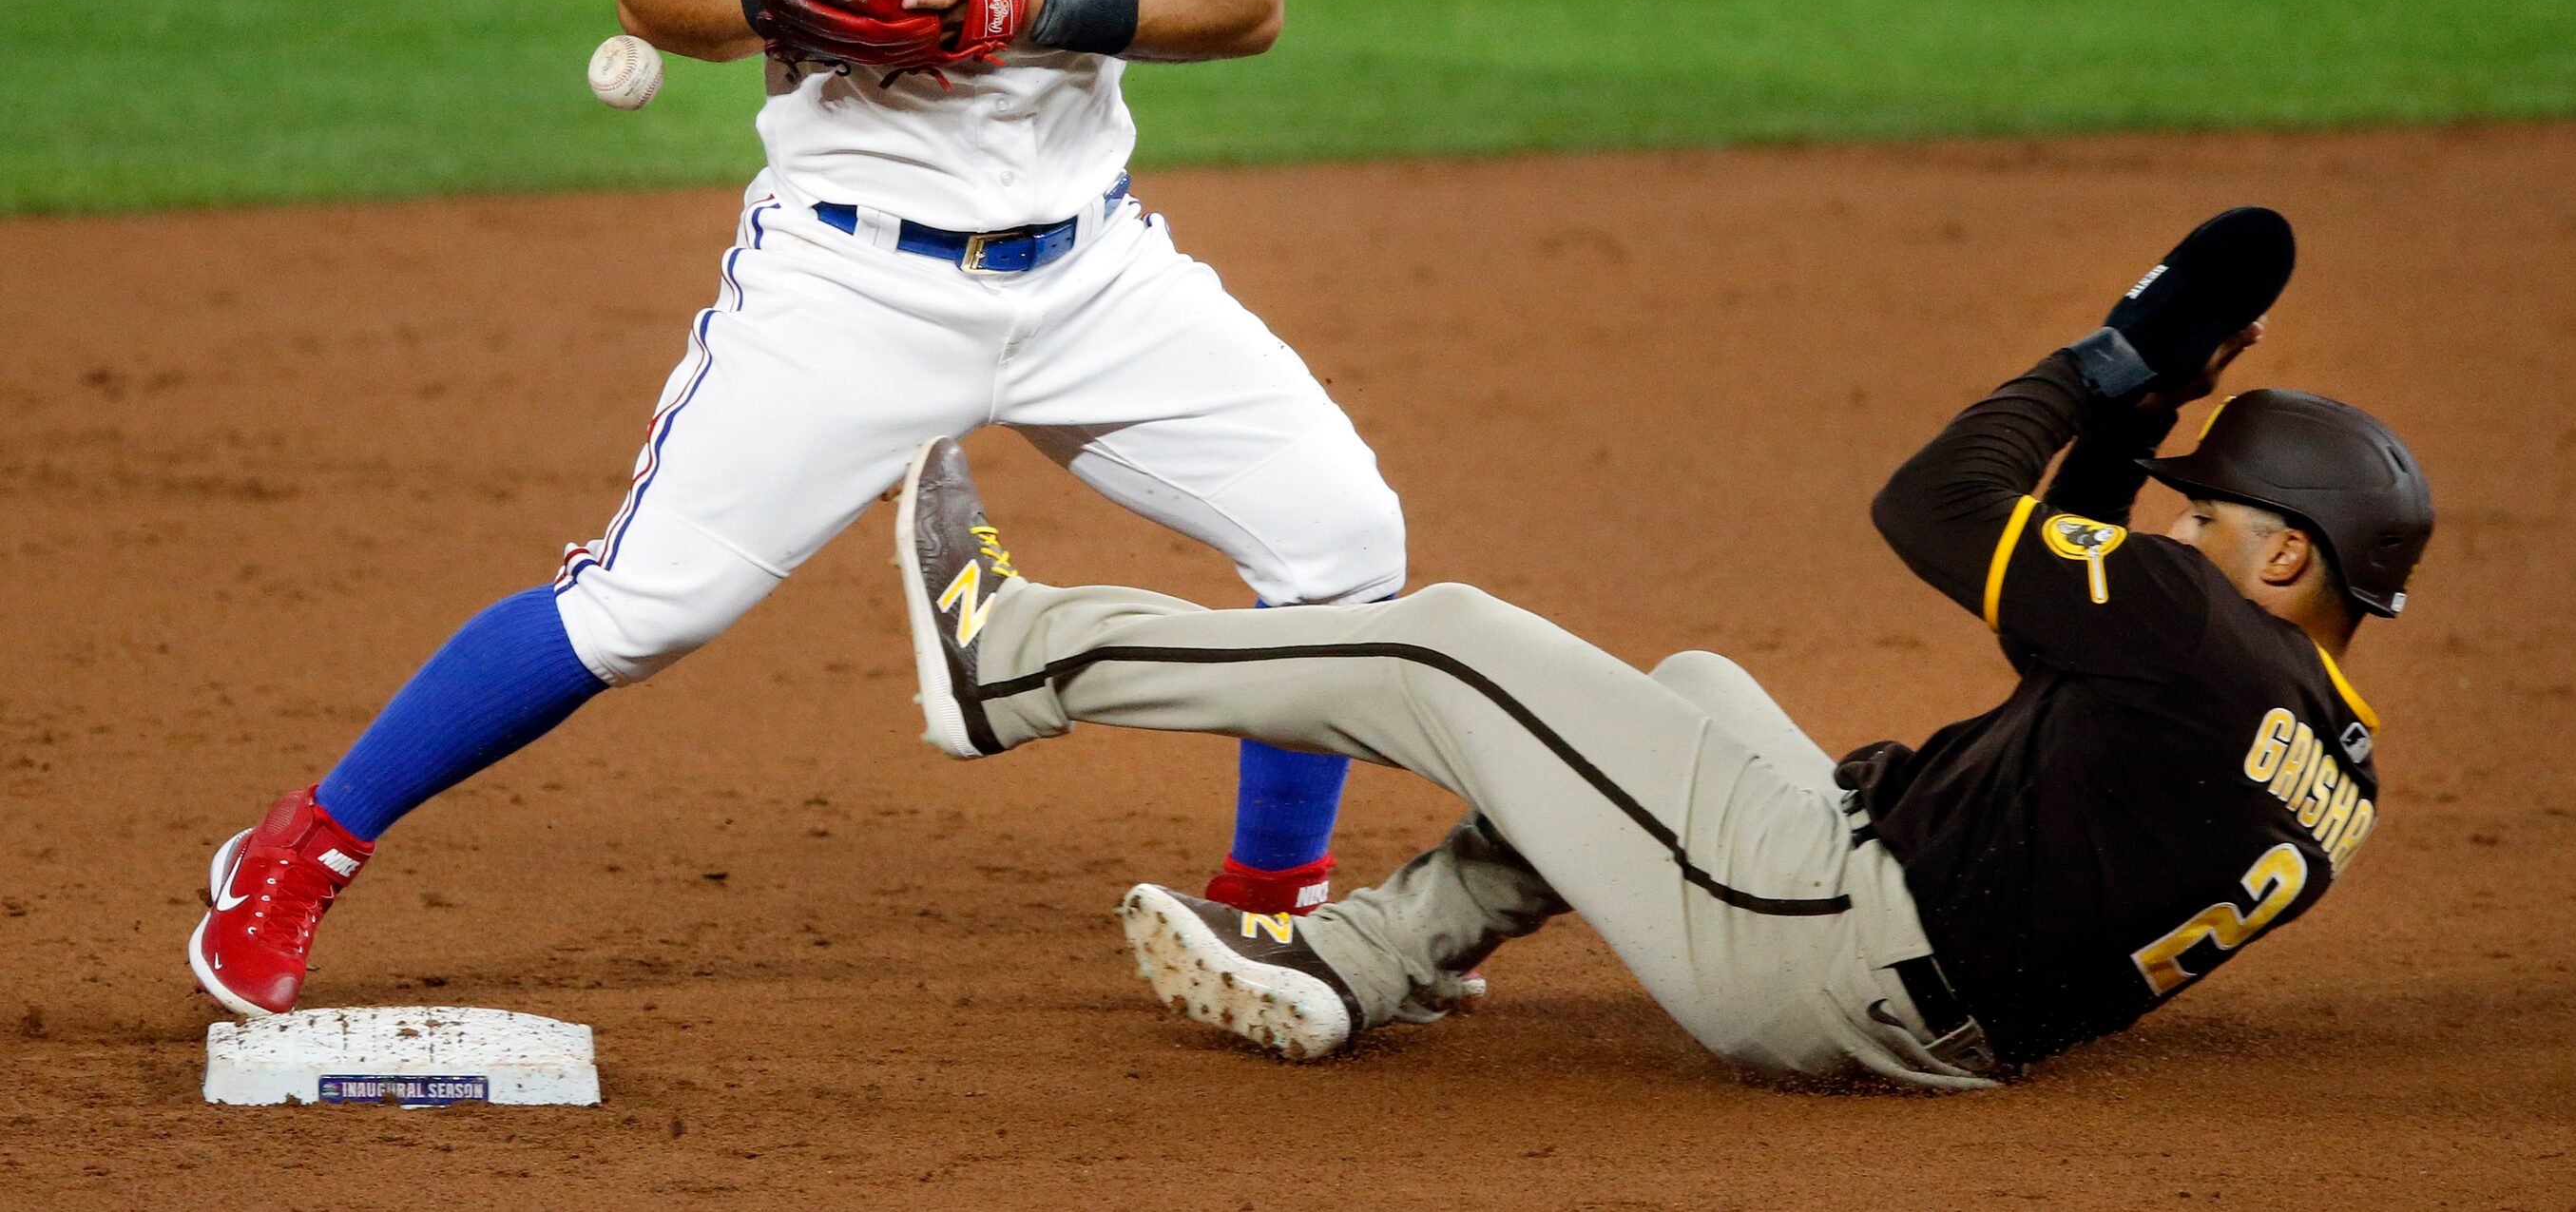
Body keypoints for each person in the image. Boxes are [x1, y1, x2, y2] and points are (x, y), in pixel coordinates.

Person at [188, 0, 1404, 1019]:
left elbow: (1247, 1)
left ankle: (1270, 908)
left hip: (1097, 277)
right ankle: (295, 852)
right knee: (646, 608)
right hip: (852, 283)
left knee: (1341, 544)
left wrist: (1036, 5)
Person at [887, 209, 2433, 1083]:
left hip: (1820, 941)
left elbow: (1933, 503)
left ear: (2284, 551)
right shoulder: (2319, 758)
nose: (2175, 532)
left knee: (1453, 648)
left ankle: (1017, 658)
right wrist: (2131, 426)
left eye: (2205, 516)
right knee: (1689, 691)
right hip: (1924, 992)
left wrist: (2089, 365)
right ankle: (1361, 964)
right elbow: (2067, 671)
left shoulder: (2188, 634)